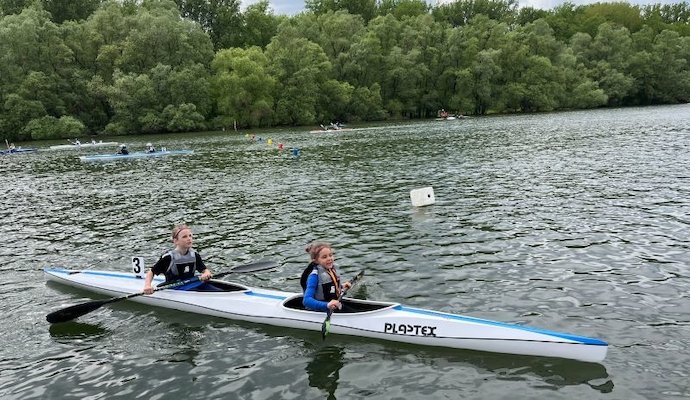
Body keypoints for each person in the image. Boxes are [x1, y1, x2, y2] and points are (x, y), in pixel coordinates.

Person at [143, 224, 213, 295]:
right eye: (184, 237)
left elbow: (204, 269)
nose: (189, 239)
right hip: (175, 289)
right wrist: (147, 286)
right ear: (176, 241)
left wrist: (207, 273)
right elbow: (151, 272)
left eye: (190, 236)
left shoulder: (194, 255)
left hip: (193, 285)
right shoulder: (168, 258)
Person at [300, 242, 352, 312]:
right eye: (324, 257)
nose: (329, 258)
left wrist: (342, 286)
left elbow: (328, 288)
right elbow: (306, 301)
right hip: (320, 309)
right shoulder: (314, 276)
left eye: (330, 255)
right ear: (316, 261)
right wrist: (327, 305)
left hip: (335, 304)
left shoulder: (330, 270)